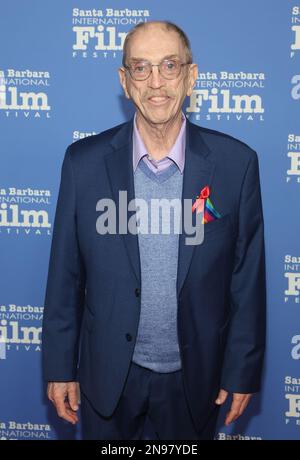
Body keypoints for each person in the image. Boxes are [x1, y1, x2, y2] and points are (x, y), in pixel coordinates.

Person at [42, 20, 266, 440]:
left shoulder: (236, 165)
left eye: (169, 66)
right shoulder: (83, 163)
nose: (156, 82)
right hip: (106, 377)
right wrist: (58, 366)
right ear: (125, 82)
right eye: (141, 68)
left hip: (194, 381)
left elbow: (246, 282)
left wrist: (242, 370)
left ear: (191, 76)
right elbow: (64, 277)